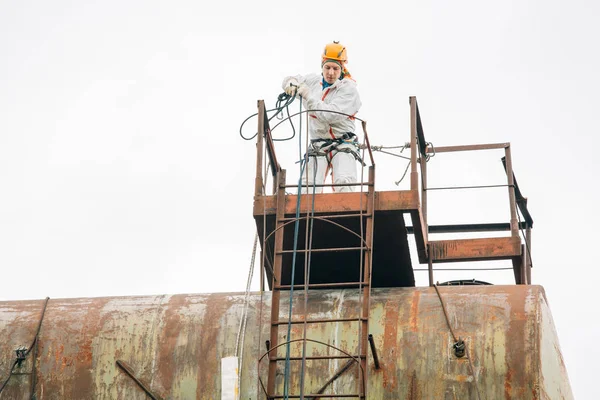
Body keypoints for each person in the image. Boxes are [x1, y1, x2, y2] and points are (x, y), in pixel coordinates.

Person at [282, 41, 362, 193]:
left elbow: (329, 115)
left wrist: (307, 96)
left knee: (344, 183)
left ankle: (347, 215)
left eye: (335, 68)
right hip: (318, 144)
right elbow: (291, 79)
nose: (331, 73)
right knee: (308, 187)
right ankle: (305, 217)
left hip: (344, 143)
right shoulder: (314, 82)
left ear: (342, 69)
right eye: (328, 67)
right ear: (322, 66)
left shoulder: (348, 90)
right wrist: (291, 83)